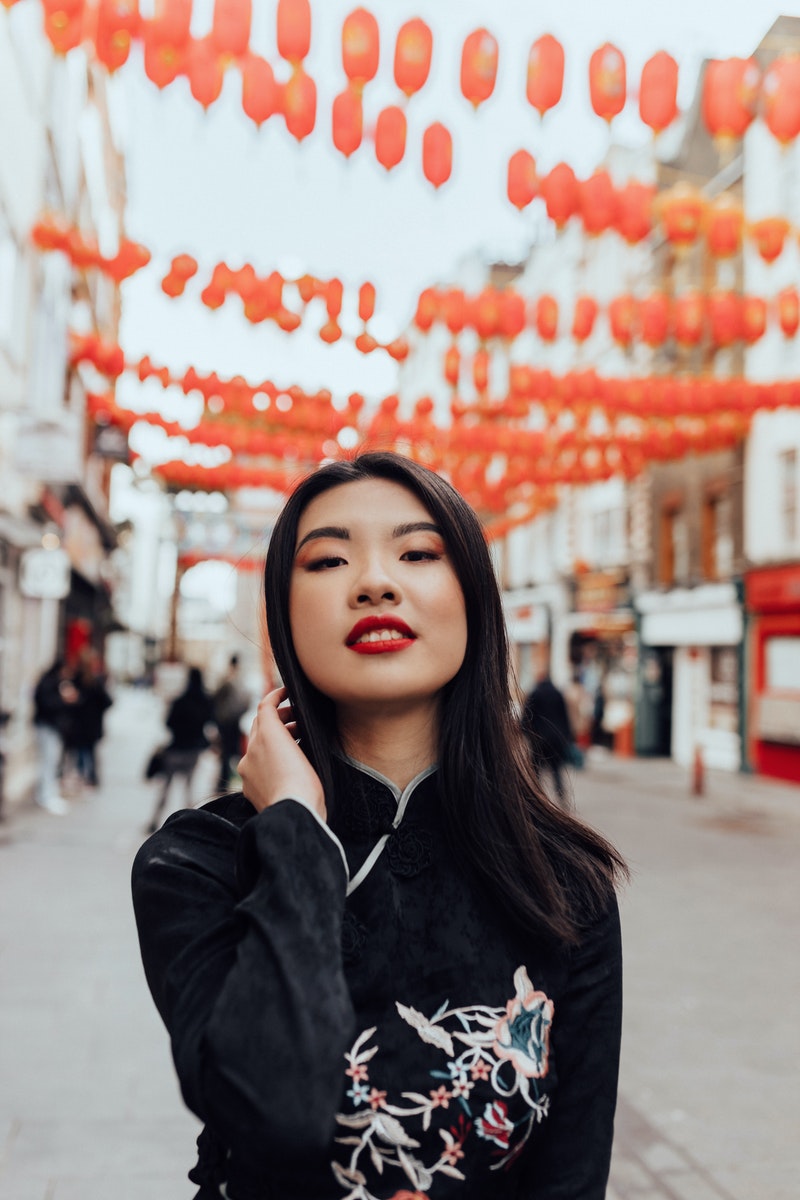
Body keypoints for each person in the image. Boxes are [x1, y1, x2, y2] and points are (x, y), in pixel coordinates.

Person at [132, 452, 626, 1200]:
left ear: (474, 600)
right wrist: (295, 829)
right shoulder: (200, 863)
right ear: (282, 614)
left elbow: (573, 1179)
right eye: (328, 559)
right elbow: (277, 1109)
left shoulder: (560, 883)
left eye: (418, 552)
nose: (374, 582)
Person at [145, 666, 215, 834]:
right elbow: (210, 721)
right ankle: (189, 825)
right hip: (193, 751)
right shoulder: (206, 701)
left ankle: (154, 821)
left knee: (165, 788)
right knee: (189, 788)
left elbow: (168, 723)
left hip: (175, 750)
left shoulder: (180, 700)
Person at [521, 670, 575, 808]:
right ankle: (562, 798)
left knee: (536, 771)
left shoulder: (536, 693)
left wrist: (524, 731)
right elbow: (565, 717)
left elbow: (527, 716)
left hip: (539, 738)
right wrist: (567, 737)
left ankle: (535, 800)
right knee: (556, 770)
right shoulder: (558, 694)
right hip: (556, 739)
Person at [32, 660, 79, 815]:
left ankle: (48, 793)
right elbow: (47, 705)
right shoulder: (48, 684)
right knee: (48, 761)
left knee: (51, 761)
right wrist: (64, 699)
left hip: (52, 728)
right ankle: (45, 795)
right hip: (47, 727)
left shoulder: (55, 683)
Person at [211, 654, 250, 792]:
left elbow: (215, 700)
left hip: (226, 723)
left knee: (227, 754)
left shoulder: (226, 680)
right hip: (234, 722)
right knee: (233, 753)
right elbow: (246, 702)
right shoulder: (241, 681)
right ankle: (230, 781)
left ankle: (223, 783)